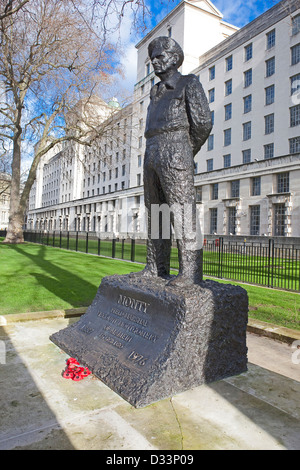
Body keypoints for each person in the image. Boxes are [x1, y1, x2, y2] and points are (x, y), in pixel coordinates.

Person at [138, 36, 212, 287]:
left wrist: (184, 150)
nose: (155, 62)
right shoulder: (155, 92)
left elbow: (202, 123)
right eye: (153, 58)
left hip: (176, 148)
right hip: (152, 150)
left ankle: (190, 272)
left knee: (183, 213)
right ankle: (156, 267)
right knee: (156, 212)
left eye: (159, 57)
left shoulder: (188, 83)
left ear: (174, 58)